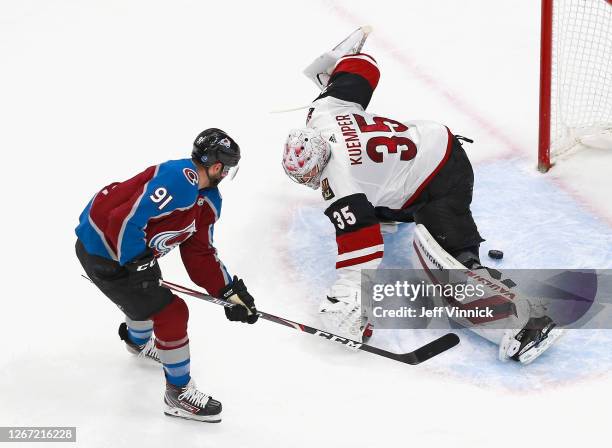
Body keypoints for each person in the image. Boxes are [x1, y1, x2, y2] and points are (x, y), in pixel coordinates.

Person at [282, 28, 562, 364]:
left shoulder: (338, 181)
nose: (312, 182)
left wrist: (350, 300)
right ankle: (386, 210)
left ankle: (529, 323)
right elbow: (362, 72)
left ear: (321, 161)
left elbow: (363, 247)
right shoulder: (321, 115)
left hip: (441, 180)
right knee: (372, 195)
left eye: (311, 175)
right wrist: (345, 61)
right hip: (430, 139)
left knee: (453, 268)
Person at [75, 128, 258, 422]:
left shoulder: (207, 201)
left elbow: (200, 254)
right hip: (102, 252)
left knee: (149, 293)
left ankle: (137, 341)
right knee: (171, 312)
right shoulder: (180, 178)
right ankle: (178, 394)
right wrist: (137, 263)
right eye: (227, 169)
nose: (225, 175)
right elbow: (122, 219)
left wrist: (227, 291)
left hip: (127, 254)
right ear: (216, 167)